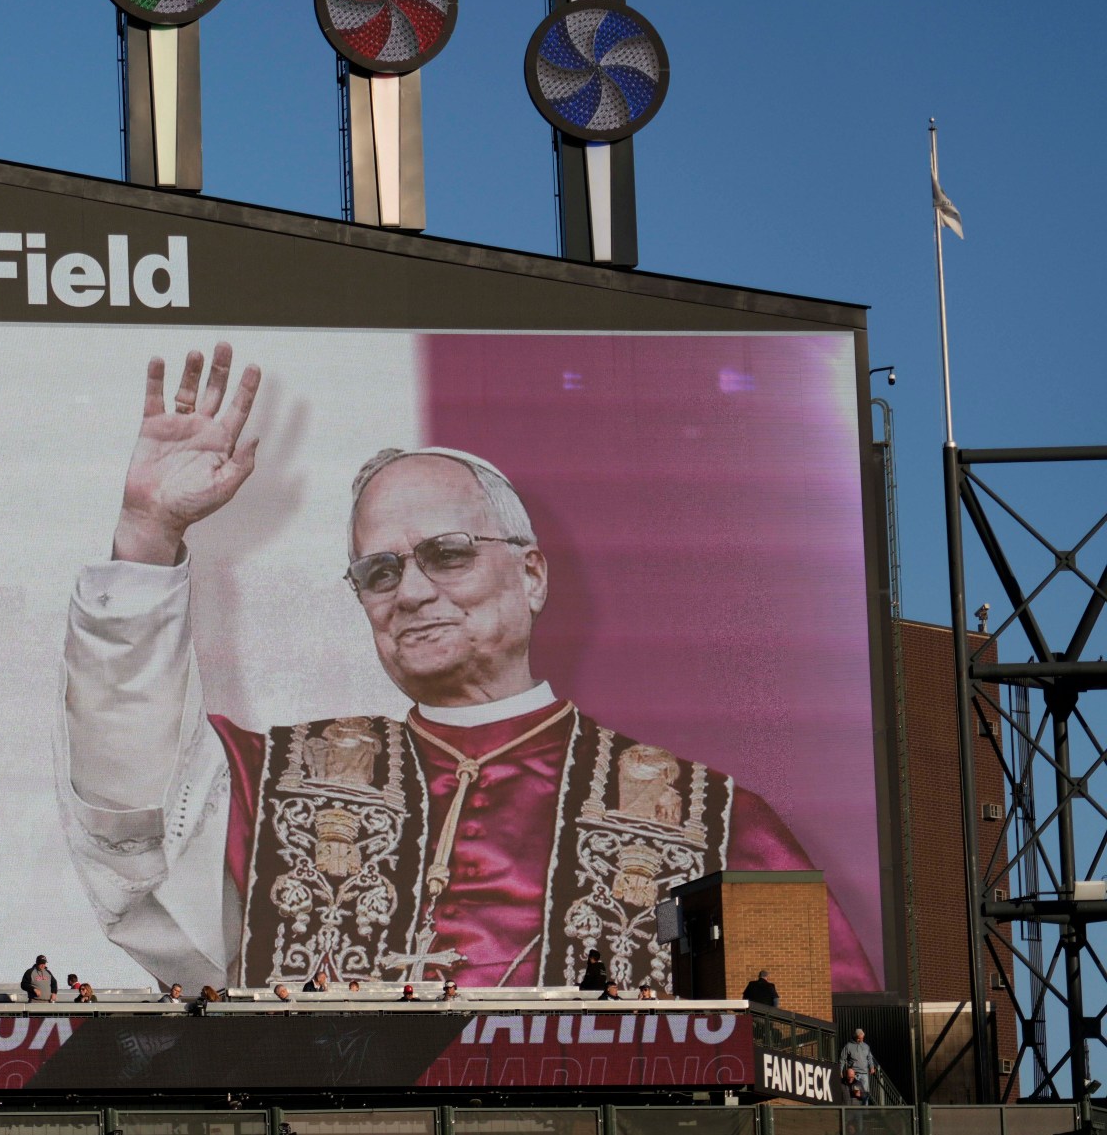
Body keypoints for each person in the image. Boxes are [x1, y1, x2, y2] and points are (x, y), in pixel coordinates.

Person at [55, 343, 878, 995]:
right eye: (378, 572)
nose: (410, 591)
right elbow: (133, 810)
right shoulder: (281, 781)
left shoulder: (713, 821)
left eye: (446, 554)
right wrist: (147, 539)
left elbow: (815, 1048)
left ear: (532, 574)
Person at [840, 1027, 879, 1104]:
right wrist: (840, 1070)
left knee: (865, 1093)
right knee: (855, 1094)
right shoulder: (848, 1046)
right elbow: (842, 1059)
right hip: (854, 1074)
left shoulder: (866, 1046)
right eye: (859, 1038)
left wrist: (871, 1067)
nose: (861, 1040)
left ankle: (865, 1110)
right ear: (855, 1037)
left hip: (864, 1074)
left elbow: (870, 1057)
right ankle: (856, 1109)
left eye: (862, 1038)